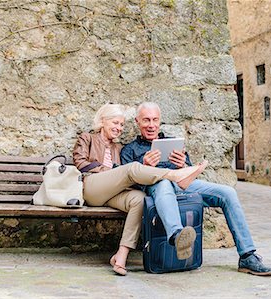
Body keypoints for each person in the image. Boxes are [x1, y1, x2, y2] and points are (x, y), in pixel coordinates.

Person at [120, 102, 271, 276]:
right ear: (137, 122)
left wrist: (183, 164)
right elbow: (128, 182)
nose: (151, 125)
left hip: (183, 184)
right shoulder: (129, 150)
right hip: (158, 187)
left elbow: (191, 174)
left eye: (155, 120)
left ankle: (247, 255)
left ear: (160, 121)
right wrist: (145, 166)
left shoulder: (172, 143)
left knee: (227, 193)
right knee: (163, 182)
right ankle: (177, 235)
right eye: (146, 120)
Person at [72, 103, 207, 276]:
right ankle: (175, 176)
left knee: (139, 199)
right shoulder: (87, 138)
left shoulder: (119, 148)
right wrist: (113, 171)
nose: (119, 128)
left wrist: (120, 173)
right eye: (115, 123)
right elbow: (81, 164)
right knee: (131, 168)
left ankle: (121, 256)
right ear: (103, 122)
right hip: (91, 188)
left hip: (111, 193)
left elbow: (124, 180)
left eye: (121, 124)